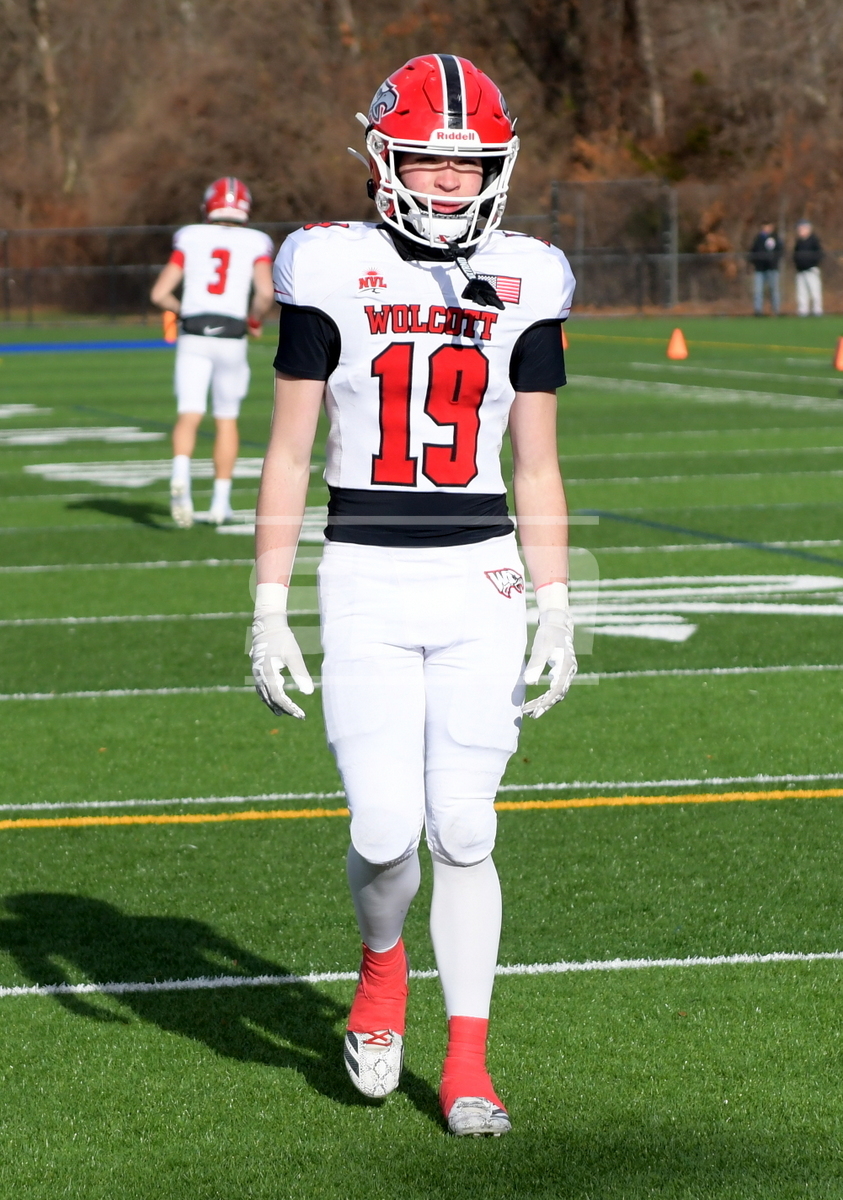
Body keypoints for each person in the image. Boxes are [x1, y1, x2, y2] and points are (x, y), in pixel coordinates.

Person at [248, 54, 577, 1137]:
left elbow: (536, 463)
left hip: (481, 574)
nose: (447, 181)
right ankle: (381, 967)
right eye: (429, 162)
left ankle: (468, 1062)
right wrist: (268, 603)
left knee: (467, 829)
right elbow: (289, 453)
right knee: (387, 829)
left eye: (466, 165)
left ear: (495, 168)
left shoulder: (530, 274)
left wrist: (557, 599)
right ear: (384, 159)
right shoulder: (329, 265)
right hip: (366, 573)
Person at [151, 178, 275, 527]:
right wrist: (254, 319)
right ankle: (220, 502)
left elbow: (159, 293)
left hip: (194, 331)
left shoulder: (190, 236)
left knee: (189, 414)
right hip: (231, 334)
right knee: (226, 418)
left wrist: (185, 311)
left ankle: (180, 474)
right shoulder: (256, 241)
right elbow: (265, 293)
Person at [748, 221, 783, 315]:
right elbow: (753, 252)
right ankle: (758, 311)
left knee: (774, 290)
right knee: (758, 291)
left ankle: (775, 311)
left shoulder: (775, 238)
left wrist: (773, 261)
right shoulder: (758, 238)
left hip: (772, 269)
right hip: (760, 269)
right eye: (764, 226)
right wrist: (755, 262)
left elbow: (780, 251)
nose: (766, 228)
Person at [793, 219, 823, 316]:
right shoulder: (799, 242)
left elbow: (819, 254)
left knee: (815, 291)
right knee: (801, 292)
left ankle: (817, 310)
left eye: (801, 228)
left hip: (811, 270)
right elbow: (795, 255)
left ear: (808, 229)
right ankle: (803, 311)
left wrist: (811, 264)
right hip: (801, 271)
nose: (800, 231)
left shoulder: (814, 240)